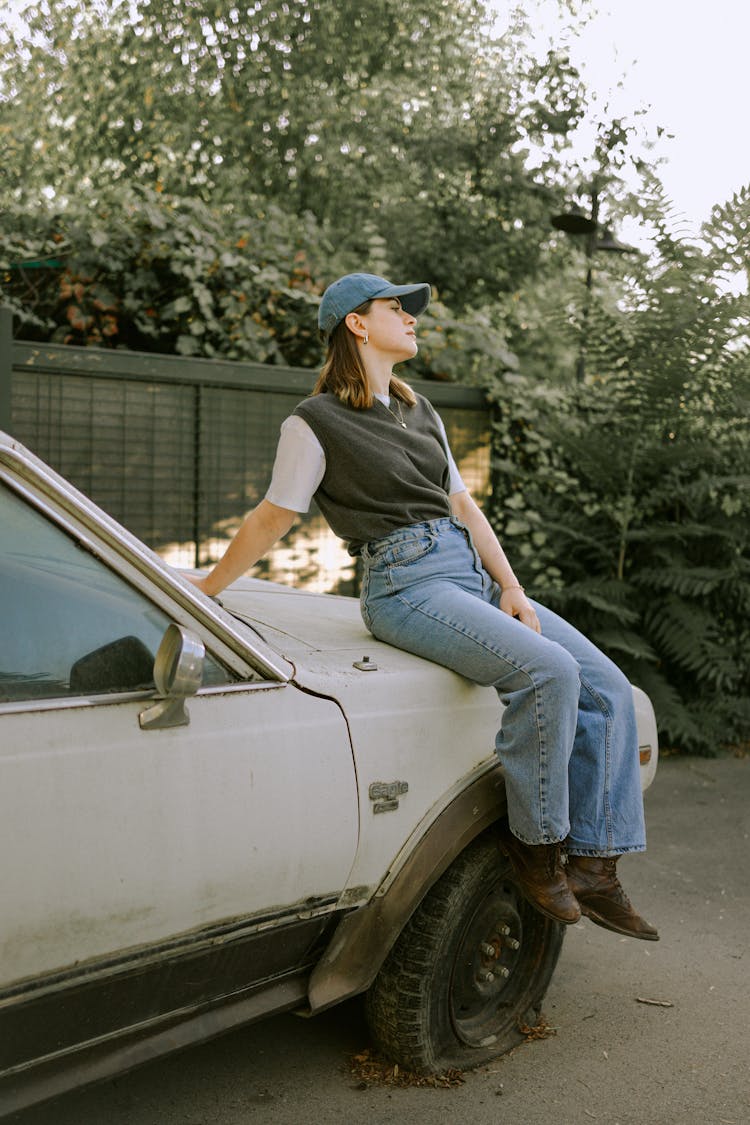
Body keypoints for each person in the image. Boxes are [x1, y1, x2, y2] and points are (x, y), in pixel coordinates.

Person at [189, 272, 658, 941]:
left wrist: (512, 586)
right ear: (356, 323)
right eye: (396, 309)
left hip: (467, 573)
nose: (412, 318)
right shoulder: (314, 421)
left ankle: (596, 865)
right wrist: (206, 589)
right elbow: (273, 517)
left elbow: (463, 507)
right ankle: (539, 848)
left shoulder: (418, 408)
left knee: (606, 685)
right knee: (548, 673)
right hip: (406, 585)